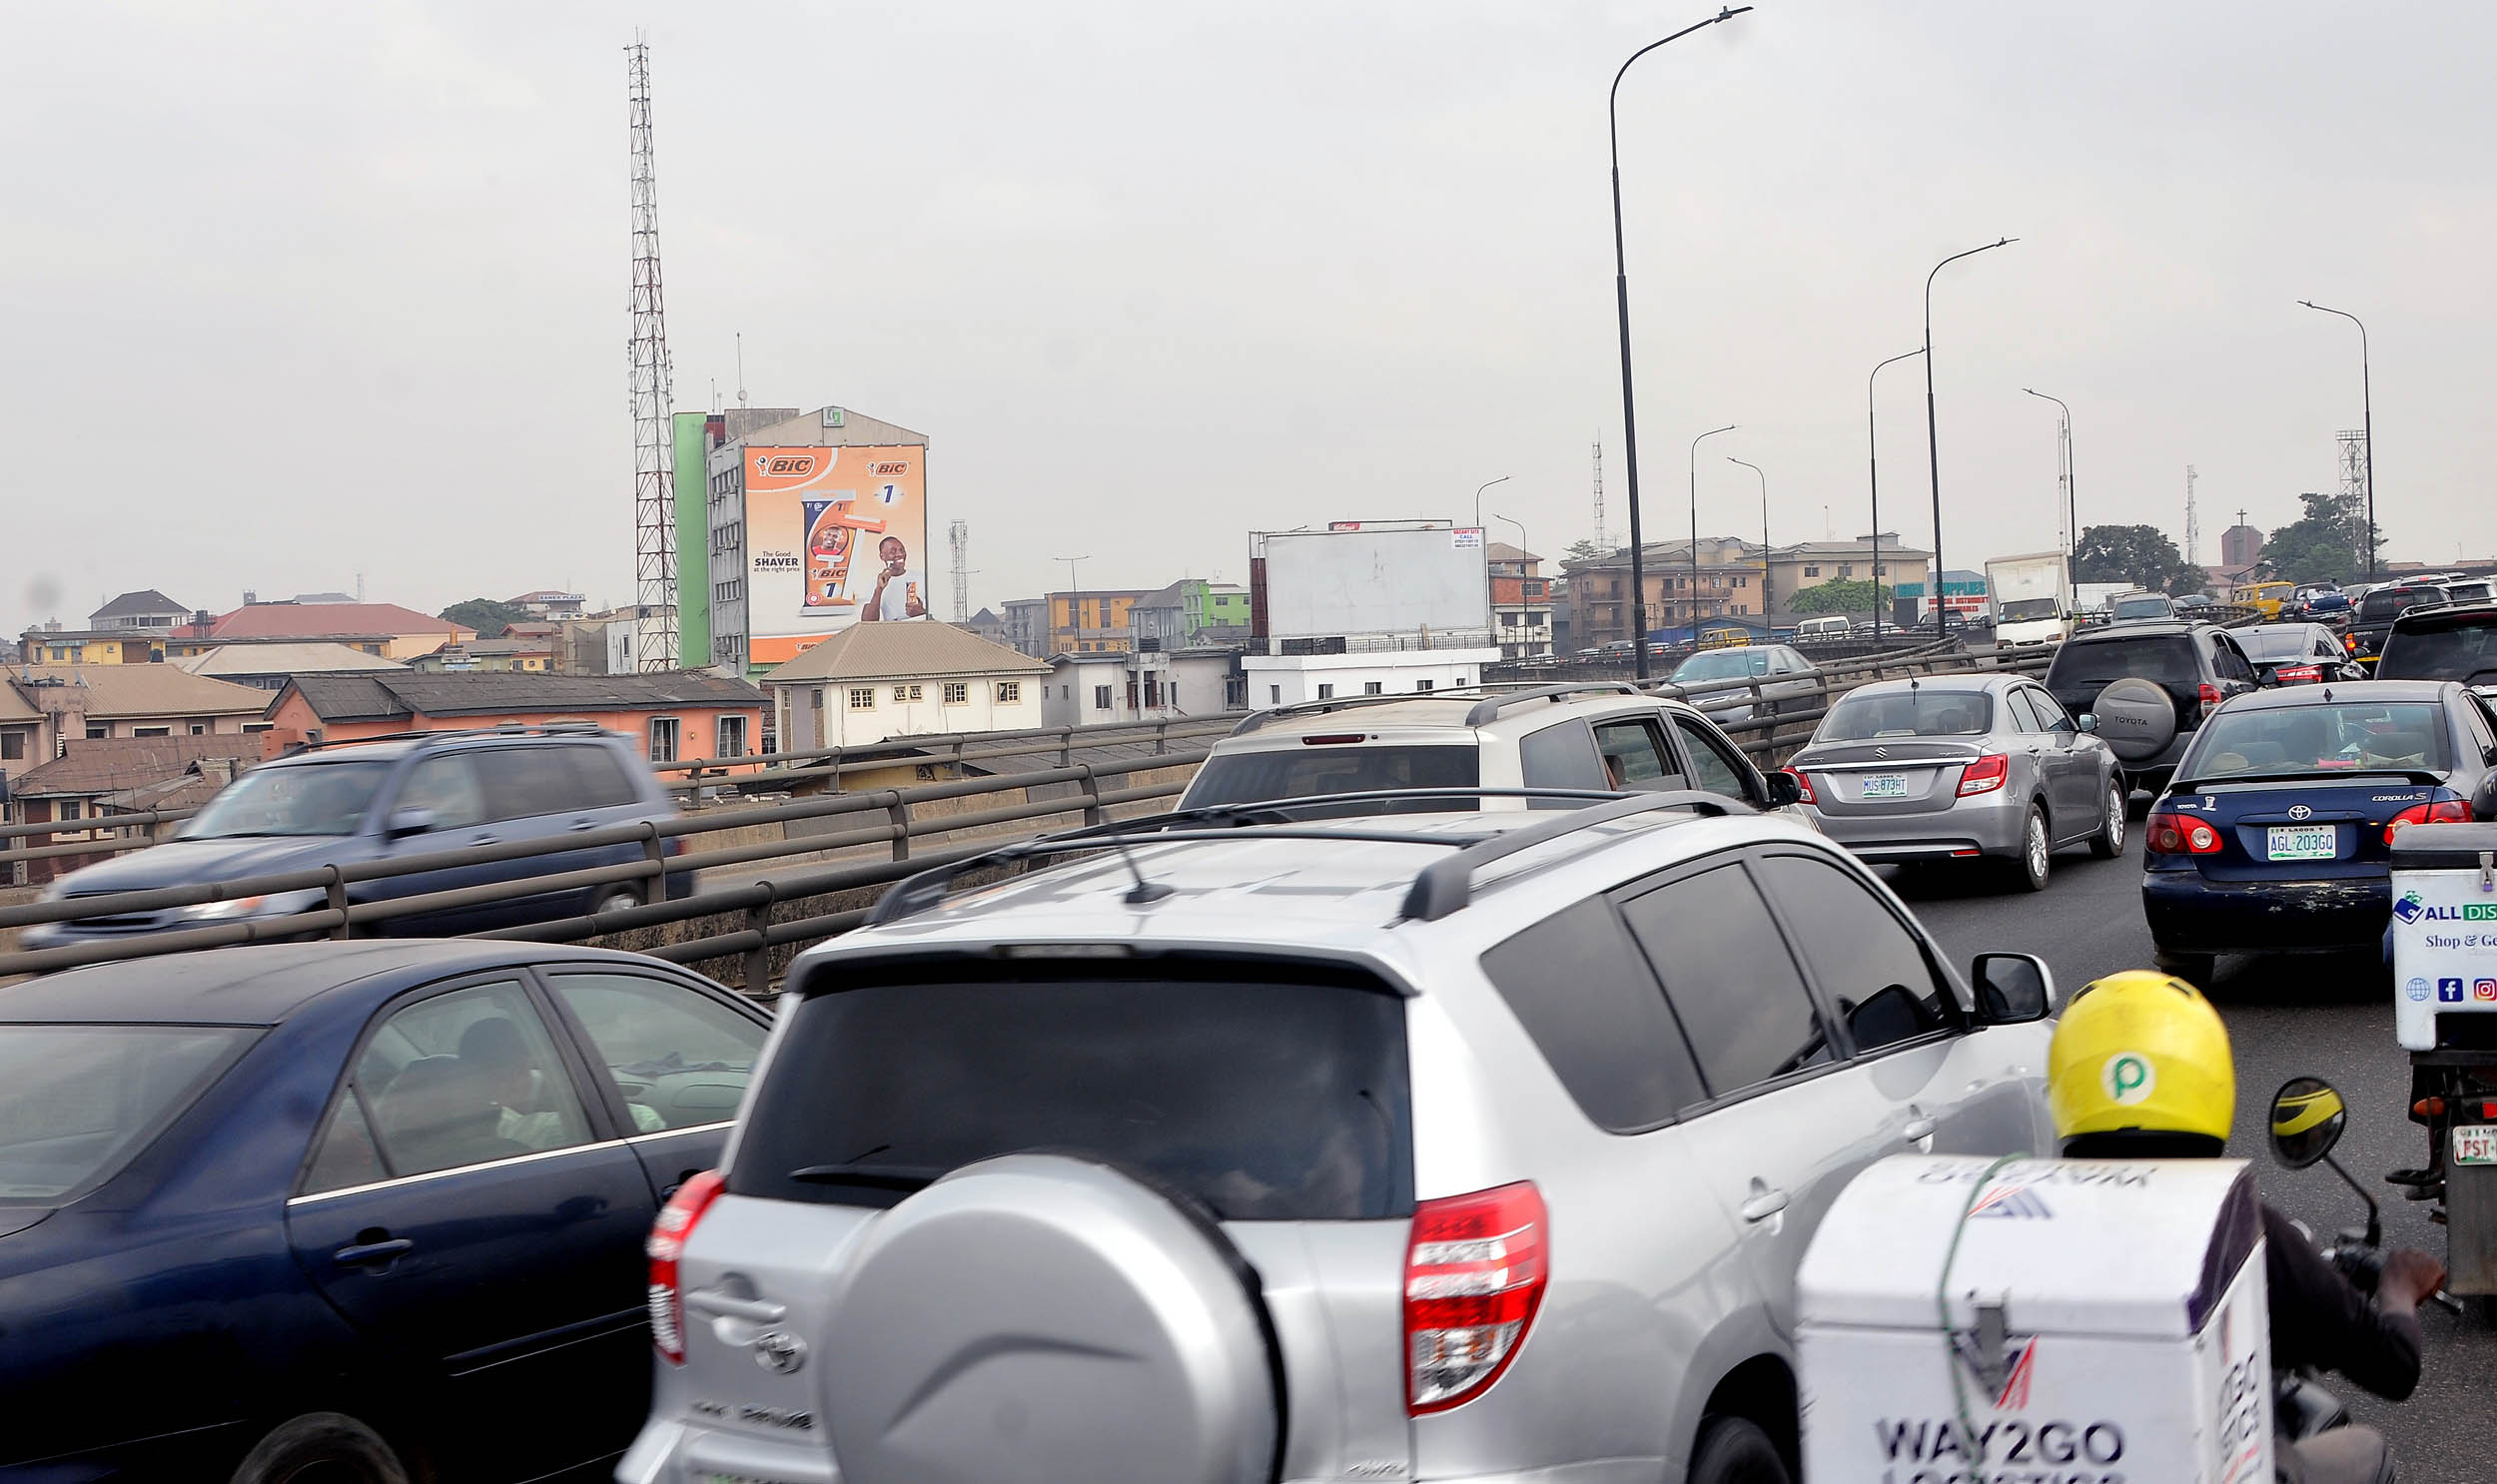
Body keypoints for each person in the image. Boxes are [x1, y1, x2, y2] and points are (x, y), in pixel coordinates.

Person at [2048, 970, 2443, 1484]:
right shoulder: (2242, 1228)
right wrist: (2398, 1285)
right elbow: (2393, 1368)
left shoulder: (2031, 1219)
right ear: (2207, 1077)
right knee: (2369, 1450)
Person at [858, 535, 927, 621]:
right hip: (892, 631)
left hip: (920, 630)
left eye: (902, 550)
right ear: (882, 557)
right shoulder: (875, 584)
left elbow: (941, 614)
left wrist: (921, 612)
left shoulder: (921, 577)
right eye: (893, 552)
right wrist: (879, 590)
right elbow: (867, 622)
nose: (900, 554)